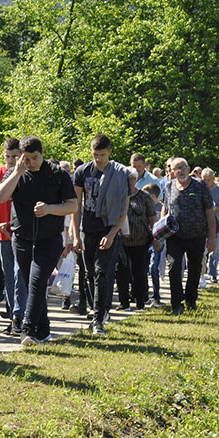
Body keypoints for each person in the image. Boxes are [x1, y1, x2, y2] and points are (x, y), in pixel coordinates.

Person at [0, 136, 77, 345]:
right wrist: (18, 172)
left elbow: (72, 205)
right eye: (27, 159)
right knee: (33, 286)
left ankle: (28, 330)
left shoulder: (57, 174)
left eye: (35, 158)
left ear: (42, 153)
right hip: (21, 240)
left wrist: (50, 208)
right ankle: (44, 330)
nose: (31, 163)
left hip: (49, 240)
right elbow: (0, 197)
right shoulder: (17, 172)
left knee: (37, 282)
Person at [70, 135, 136, 336]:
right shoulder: (82, 172)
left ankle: (98, 320)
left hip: (109, 228)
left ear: (110, 152)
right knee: (90, 274)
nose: (98, 159)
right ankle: (100, 309)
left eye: (102, 155)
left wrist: (113, 232)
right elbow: (76, 206)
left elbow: (124, 208)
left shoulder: (120, 173)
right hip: (88, 229)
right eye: (95, 154)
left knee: (102, 273)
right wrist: (76, 235)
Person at [161, 159, 217, 314]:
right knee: (174, 267)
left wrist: (212, 237)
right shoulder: (168, 186)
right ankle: (176, 304)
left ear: (188, 168)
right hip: (175, 236)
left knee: (194, 269)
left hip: (196, 235)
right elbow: (165, 209)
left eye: (183, 167)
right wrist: (159, 233)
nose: (180, 171)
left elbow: (209, 212)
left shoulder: (200, 186)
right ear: (171, 171)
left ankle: (191, 300)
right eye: (176, 169)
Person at [0, 139, 28, 336]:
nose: (12, 160)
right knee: (8, 277)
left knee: (19, 274)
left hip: (21, 233)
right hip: (2, 233)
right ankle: (14, 316)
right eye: (8, 156)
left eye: (15, 156)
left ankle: (20, 315)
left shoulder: (25, 173)